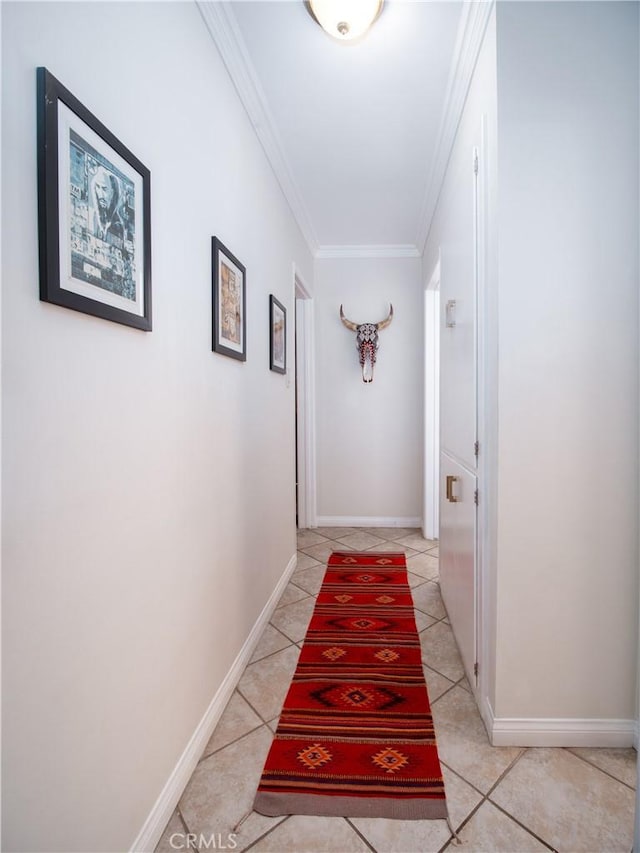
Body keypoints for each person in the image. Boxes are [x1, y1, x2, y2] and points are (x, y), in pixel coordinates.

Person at [90, 166, 124, 247]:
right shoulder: (96, 216)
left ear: (112, 193)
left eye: (105, 189)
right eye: (98, 187)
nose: (100, 194)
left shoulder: (117, 224)